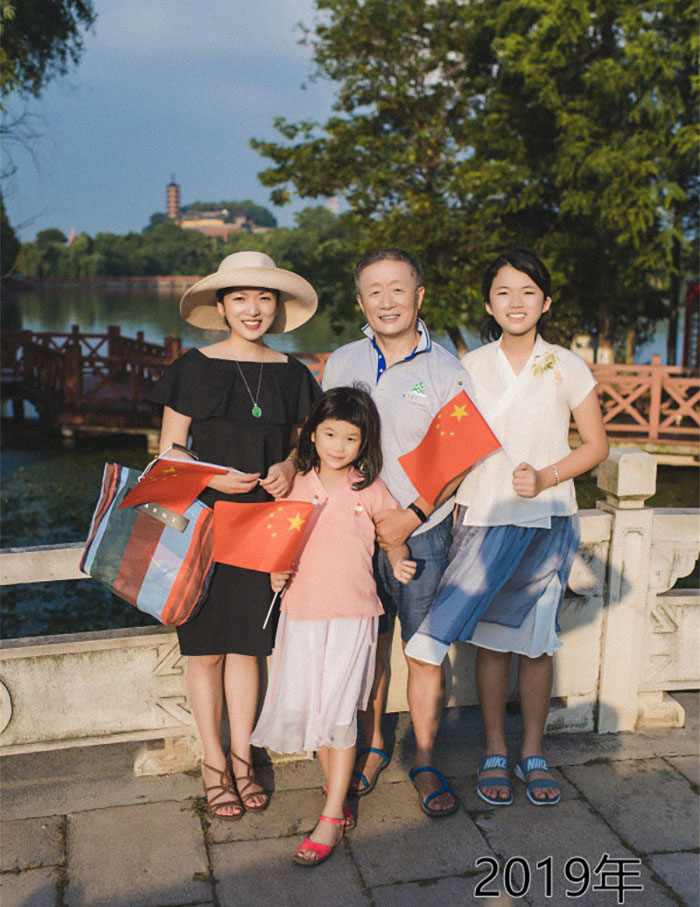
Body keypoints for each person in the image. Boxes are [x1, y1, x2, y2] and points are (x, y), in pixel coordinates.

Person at [405, 249, 609, 807]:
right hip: (483, 519)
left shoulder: (567, 365)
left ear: (546, 303)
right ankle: (495, 748)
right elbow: (445, 445)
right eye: (503, 292)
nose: (515, 302)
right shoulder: (467, 367)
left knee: (537, 646)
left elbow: (596, 444)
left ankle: (533, 752)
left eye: (527, 292)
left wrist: (546, 475)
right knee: (492, 645)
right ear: (488, 305)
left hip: (546, 521)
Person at [147, 251, 321, 819]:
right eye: (240, 298)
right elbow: (168, 453)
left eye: (264, 298)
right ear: (220, 306)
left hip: (264, 523)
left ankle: (244, 760)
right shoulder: (192, 368)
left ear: (277, 306)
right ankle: (213, 762)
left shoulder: (293, 373)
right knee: (204, 652)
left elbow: (303, 445)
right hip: (201, 523)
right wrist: (211, 475)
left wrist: (290, 466)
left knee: (249, 647)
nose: (253, 309)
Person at [322, 249, 468, 816]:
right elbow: (324, 443)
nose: (387, 301)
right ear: (360, 301)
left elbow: (461, 456)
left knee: (424, 649)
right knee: (369, 646)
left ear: (419, 296)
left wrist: (412, 514)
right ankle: (375, 743)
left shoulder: (447, 369)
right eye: (374, 291)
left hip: (422, 532)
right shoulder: (342, 361)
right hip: (354, 534)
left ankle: (425, 758)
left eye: (398, 289)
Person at [251, 386, 416, 866]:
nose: (338, 446)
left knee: (341, 711)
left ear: (364, 442)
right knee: (314, 710)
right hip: (302, 614)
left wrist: (400, 560)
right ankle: (337, 792)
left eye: (350, 438)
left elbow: (392, 535)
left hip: (353, 615)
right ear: (312, 434)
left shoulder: (369, 488)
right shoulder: (296, 485)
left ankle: (330, 815)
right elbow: (278, 544)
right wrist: (274, 571)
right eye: (329, 434)